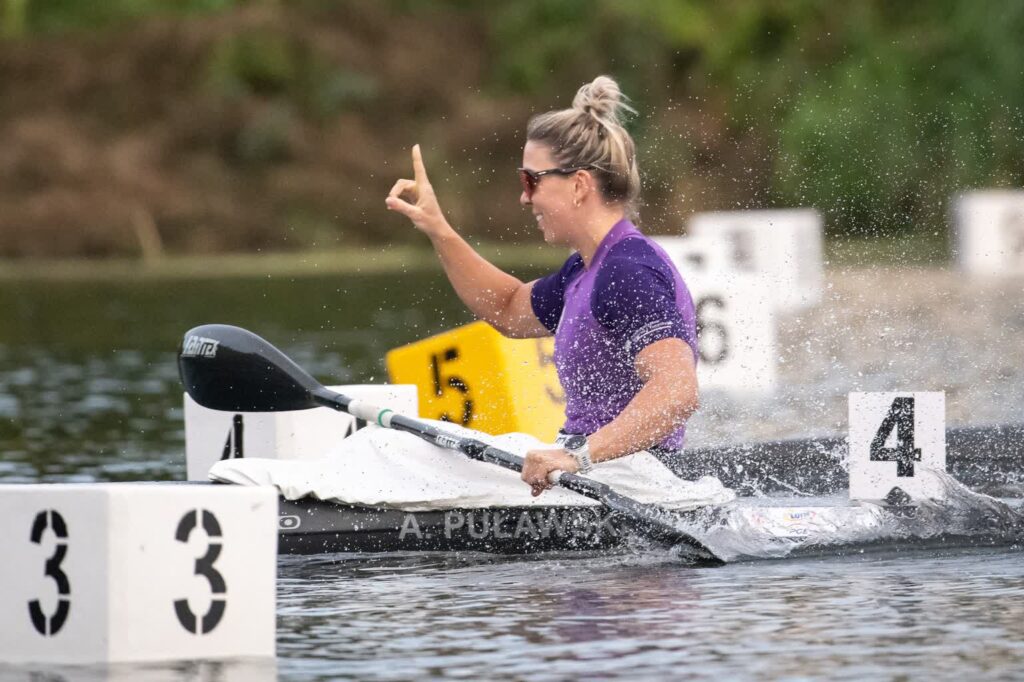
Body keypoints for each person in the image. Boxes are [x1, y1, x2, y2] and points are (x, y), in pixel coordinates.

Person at [386, 75, 698, 496]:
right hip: (592, 472)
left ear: (579, 185)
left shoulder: (627, 271)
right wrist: (439, 229)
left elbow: (677, 392)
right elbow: (510, 309)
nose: (524, 198)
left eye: (531, 181)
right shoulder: (586, 269)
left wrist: (577, 458)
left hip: (627, 481)